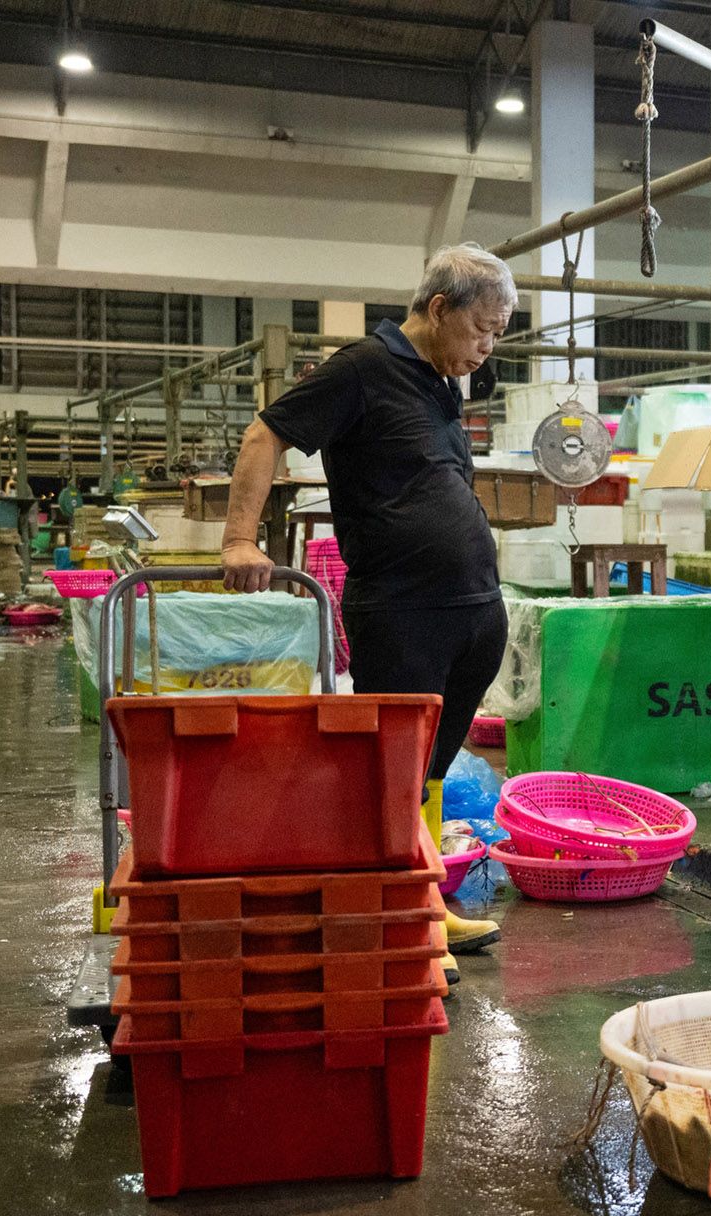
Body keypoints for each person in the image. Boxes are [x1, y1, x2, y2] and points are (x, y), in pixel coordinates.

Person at [220, 242, 514, 976]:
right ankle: (397, 924)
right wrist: (238, 539)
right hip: (402, 609)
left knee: (431, 770)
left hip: (472, 607)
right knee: (393, 771)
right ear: (440, 308)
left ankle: (425, 906)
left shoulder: (442, 381)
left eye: (499, 333)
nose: (487, 348)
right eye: (483, 329)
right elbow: (267, 434)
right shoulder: (361, 368)